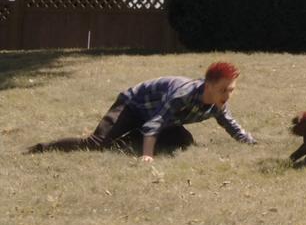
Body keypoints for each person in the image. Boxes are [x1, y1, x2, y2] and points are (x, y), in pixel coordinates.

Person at [27, 62, 256, 162]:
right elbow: (156, 121)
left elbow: (230, 124)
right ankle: (42, 148)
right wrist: (148, 155)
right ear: (208, 86)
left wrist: (251, 142)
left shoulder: (217, 103)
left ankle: (132, 138)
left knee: (184, 141)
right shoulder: (183, 94)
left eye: (231, 90)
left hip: (160, 116)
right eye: (223, 90)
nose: (227, 95)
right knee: (97, 143)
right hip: (133, 106)